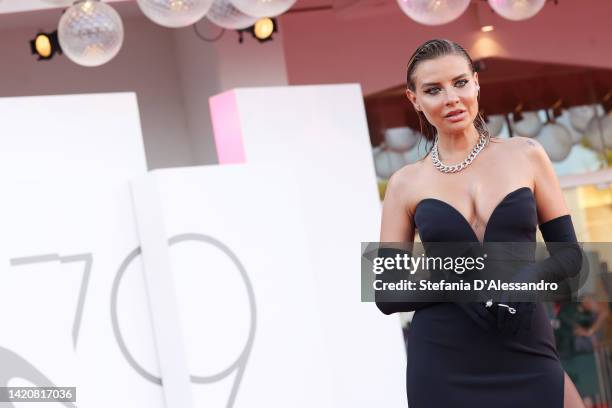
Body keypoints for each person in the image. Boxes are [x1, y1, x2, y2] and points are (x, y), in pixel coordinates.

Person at [377, 39, 585, 408]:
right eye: (433, 90)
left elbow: (569, 258)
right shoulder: (405, 183)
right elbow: (387, 292)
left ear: (476, 82)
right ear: (414, 100)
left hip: (525, 344)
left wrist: (527, 279)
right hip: (444, 361)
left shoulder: (527, 156)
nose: (450, 98)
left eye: (459, 82)